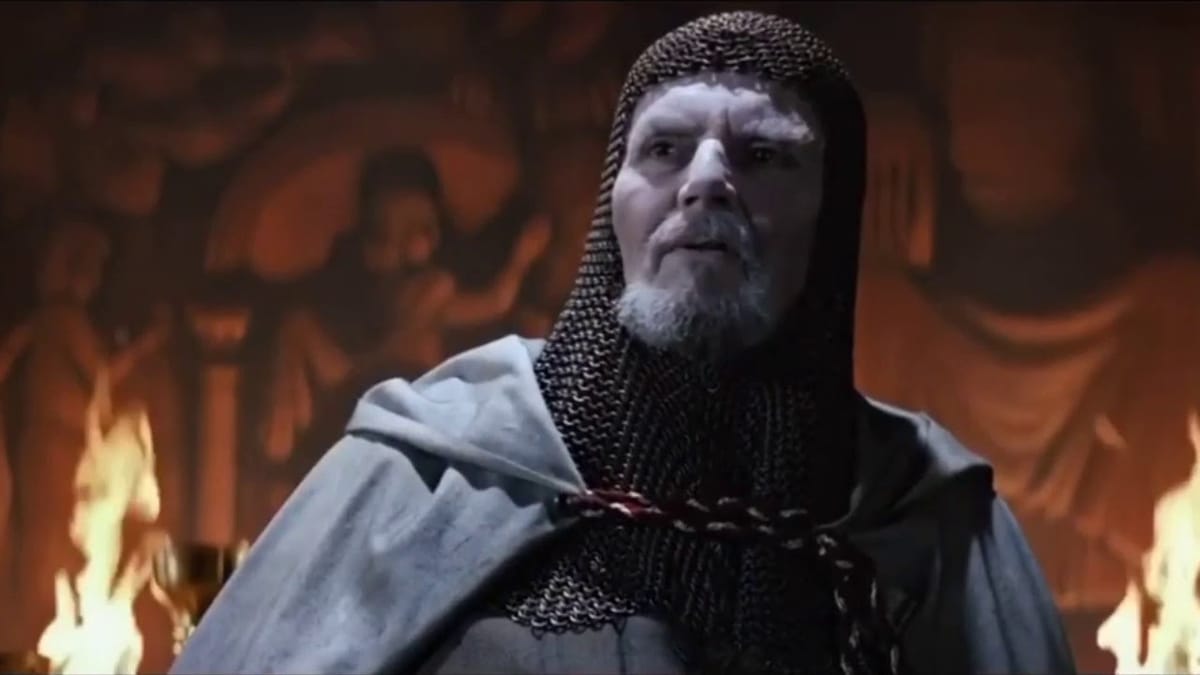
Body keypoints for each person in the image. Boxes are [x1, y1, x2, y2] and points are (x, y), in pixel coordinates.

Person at [170, 12, 1075, 675]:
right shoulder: (425, 476)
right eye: (666, 150)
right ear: (616, 202)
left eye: (764, 157)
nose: (705, 182)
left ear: (833, 216)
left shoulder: (931, 523)